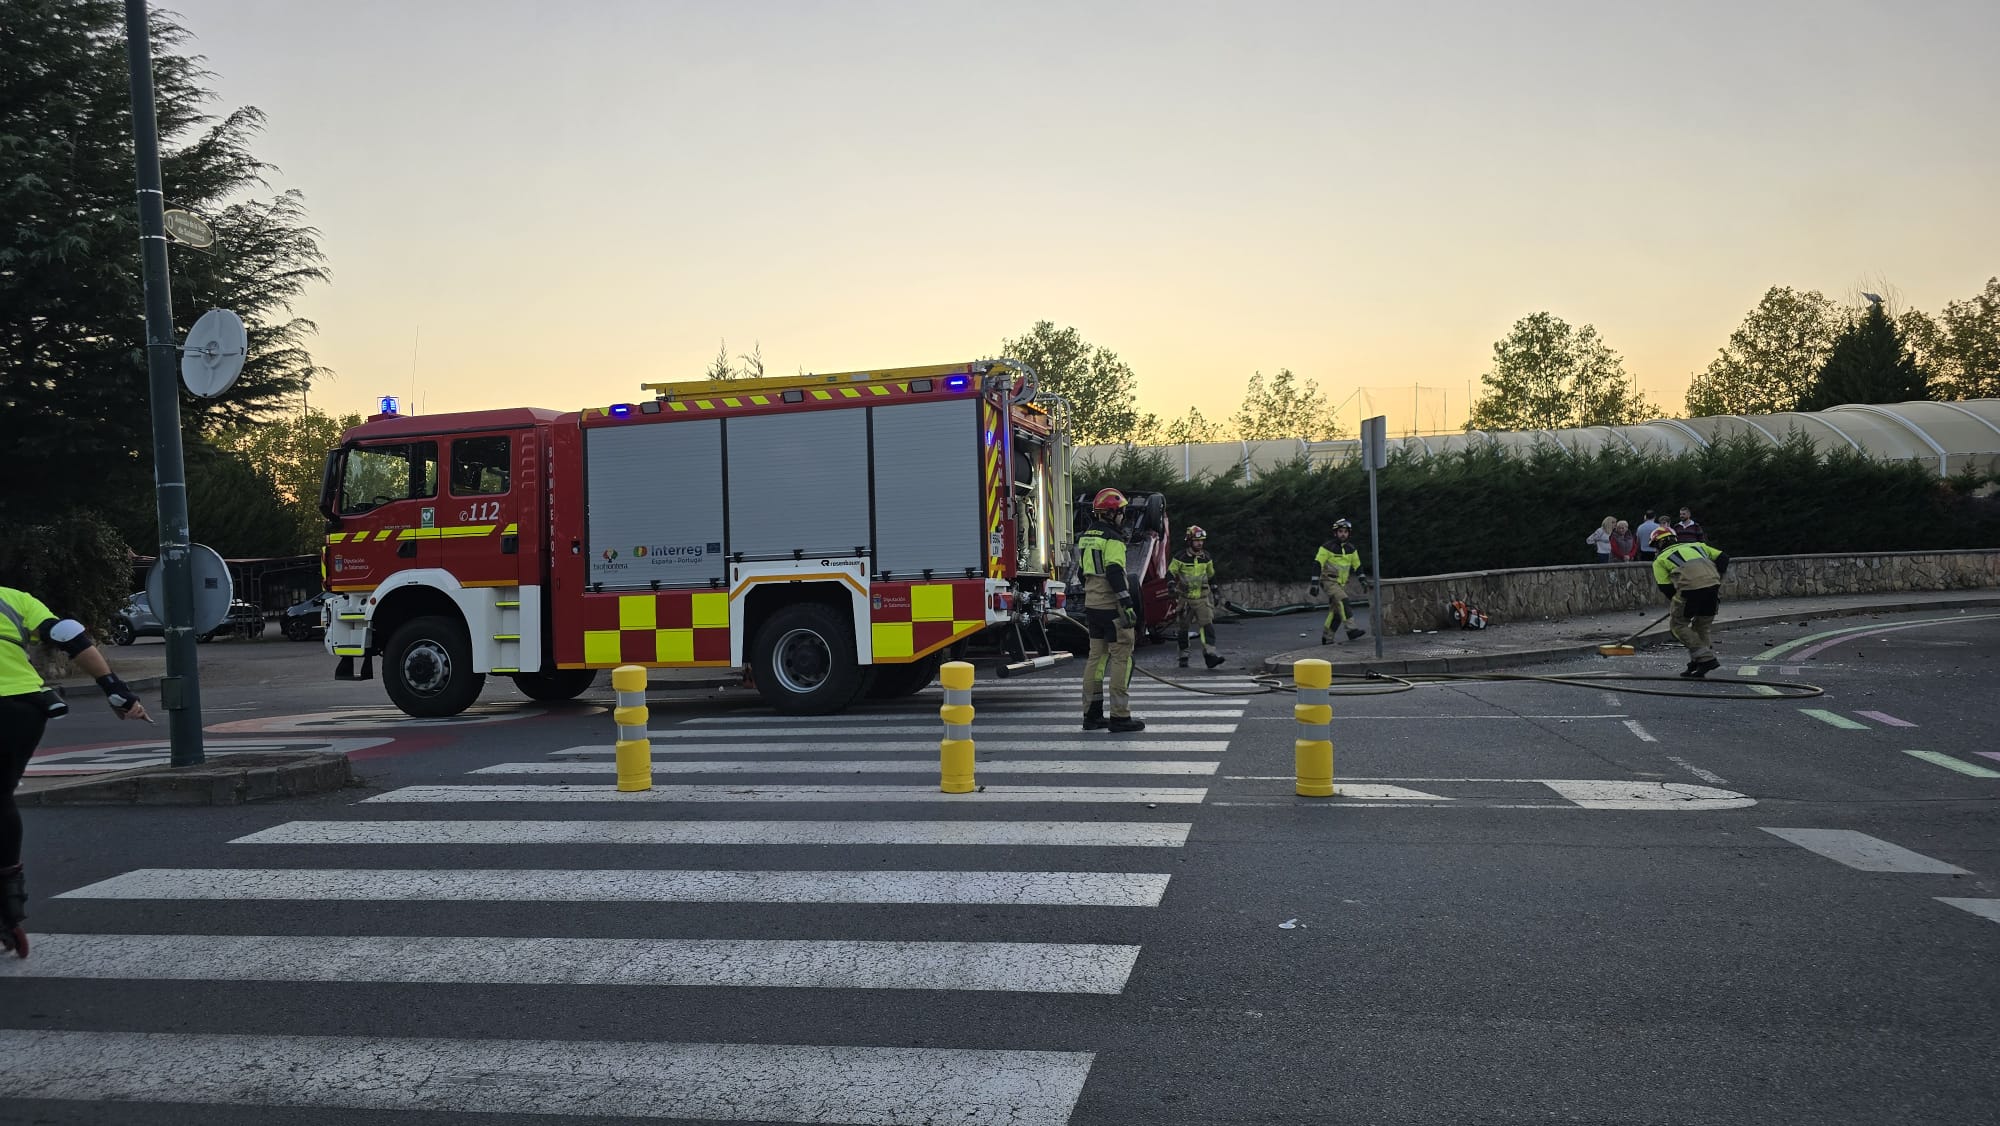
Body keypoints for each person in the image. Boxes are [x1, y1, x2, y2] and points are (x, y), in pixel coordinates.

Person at [1, 583, 152, 959]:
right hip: (22, 706)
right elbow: (68, 633)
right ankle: (8, 904)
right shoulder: (14, 598)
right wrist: (115, 689)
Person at [1077, 489, 1144, 733]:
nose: (1123, 517)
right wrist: (1126, 603)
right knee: (1122, 657)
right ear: (1112, 513)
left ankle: (1091, 715)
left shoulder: (1086, 536)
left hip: (1092, 606)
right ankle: (1120, 716)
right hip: (1111, 606)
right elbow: (1115, 571)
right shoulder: (1113, 539)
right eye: (1122, 512)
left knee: (1096, 658)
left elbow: (1080, 572)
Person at [1649, 526, 1730, 678]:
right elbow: (1723, 558)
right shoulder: (1698, 546)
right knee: (1702, 626)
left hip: (1689, 591)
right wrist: (1715, 578)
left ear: (1661, 543)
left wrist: (1677, 604)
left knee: (1678, 626)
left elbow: (1665, 588)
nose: (1655, 549)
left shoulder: (1660, 560)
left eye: (1655, 545)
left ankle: (1706, 659)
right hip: (1712, 588)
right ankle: (1698, 661)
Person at [1168, 525, 1225, 670]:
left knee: (1207, 626)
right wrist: (1170, 585)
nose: (1200, 543)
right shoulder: (1180, 557)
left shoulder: (1206, 557)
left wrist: (1215, 591)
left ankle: (1210, 656)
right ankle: (1183, 656)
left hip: (1201, 598)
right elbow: (1170, 572)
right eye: (1196, 540)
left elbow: (1211, 575)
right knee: (1183, 628)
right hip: (1184, 598)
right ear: (1189, 541)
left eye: (1202, 541)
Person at [1311, 518, 1367, 644]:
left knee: (1336, 612)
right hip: (1328, 581)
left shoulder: (1351, 549)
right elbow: (1317, 564)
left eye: (1345, 532)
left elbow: (1357, 566)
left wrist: (1363, 580)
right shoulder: (1326, 547)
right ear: (1335, 533)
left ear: (1349, 534)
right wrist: (1314, 584)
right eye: (1340, 531)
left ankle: (1327, 638)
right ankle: (1351, 630)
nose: (1343, 534)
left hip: (1341, 584)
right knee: (1343, 600)